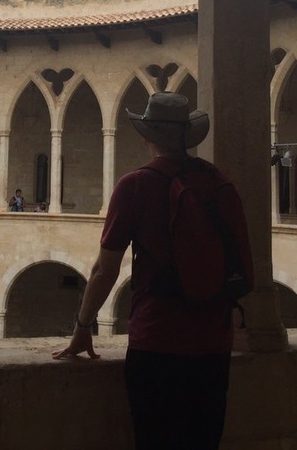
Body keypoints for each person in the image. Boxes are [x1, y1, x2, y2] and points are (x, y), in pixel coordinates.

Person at [52, 92, 251, 450]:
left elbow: (104, 270)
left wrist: (83, 327)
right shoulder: (219, 184)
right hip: (213, 345)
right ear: (188, 137)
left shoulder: (135, 185)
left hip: (158, 342)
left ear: (147, 136)